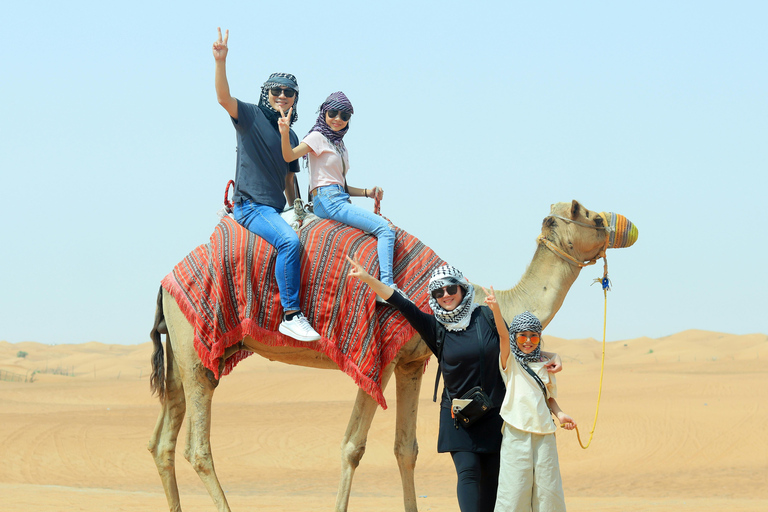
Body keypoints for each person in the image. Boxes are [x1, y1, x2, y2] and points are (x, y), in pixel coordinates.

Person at [346, 258, 562, 512]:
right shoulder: (435, 327)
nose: (446, 295)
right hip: (459, 415)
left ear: (462, 288)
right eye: (439, 292)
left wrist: (553, 357)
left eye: (451, 289)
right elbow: (400, 302)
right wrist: (367, 278)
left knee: (492, 479)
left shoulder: (485, 316)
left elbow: (520, 345)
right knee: (468, 473)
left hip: (495, 413)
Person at [212, 27, 320, 342]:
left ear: (295, 98)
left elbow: (290, 178)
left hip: (276, 208)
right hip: (251, 206)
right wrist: (221, 61)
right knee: (289, 243)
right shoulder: (249, 115)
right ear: (266, 93)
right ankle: (291, 315)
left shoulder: (293, 136)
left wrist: (300, 209)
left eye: (288, 92)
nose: (282, 96)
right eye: (276, 91)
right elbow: (223, 98)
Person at [278, 92, 400, 300]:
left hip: (337, 197)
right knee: (386, 230)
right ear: (324, 113)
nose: (338, 119)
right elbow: (289, 156)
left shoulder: (339, 145)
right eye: (333, 113)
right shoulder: (317, 137)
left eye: (344, 116)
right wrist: (284, 131)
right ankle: (387, 288)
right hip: (327, 200)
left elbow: (339, 184)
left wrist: (366, 192)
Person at [483, 288, 576, 512]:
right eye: (522, 335)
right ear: (516, 336)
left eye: (534, 336)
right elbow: (503, 336)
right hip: (516, 430)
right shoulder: (510, 362)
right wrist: (496, 309)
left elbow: (549, 398)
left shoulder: (546, 365)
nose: (528, 341)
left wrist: (561, 415)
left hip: (545, 432)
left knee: (548, 490)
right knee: (514, 490)